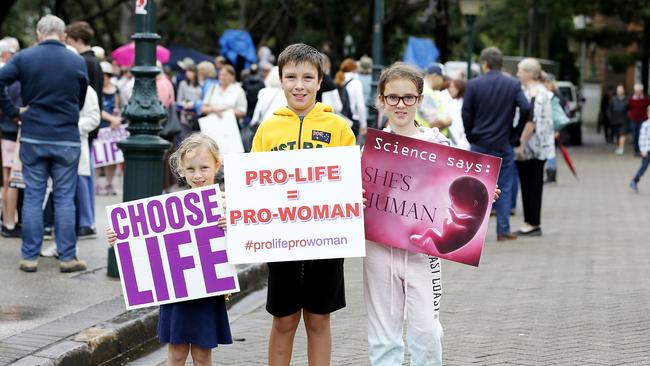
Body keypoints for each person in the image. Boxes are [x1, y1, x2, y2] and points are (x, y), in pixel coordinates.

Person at [251, 43, 356, 366]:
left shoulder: (338, 128)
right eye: (291, 77)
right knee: (283, 320)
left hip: (326, 240)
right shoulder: (267, 130)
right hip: (281, 240)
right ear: (280, 80)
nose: (300, 85)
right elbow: (253, 184)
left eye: (308, 77)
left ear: (320, 81)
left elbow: (351, 180)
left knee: (318, 319)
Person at [107, 133, 232, 366]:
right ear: (182, 170)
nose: (197, 175)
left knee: (203, 354)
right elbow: (142, 240)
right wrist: (120, 237)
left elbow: (246, 243)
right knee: (176, 352)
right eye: (190, 169)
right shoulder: (170, 206)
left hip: (208, 292)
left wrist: (232, 226)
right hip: (177, 292)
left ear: (217, 165)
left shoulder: (226, 204)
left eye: (204, 167)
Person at [364, 62, 448, 366]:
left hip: (422, 252)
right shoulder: (368, 151)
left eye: (409, 97)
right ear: (382, 100)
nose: (401, 105)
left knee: (427, 332)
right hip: (379, 249)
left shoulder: (439, 145)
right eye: (393, 97)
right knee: (383, 335)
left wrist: (481, 193)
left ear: (420, 100)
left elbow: (456, 195)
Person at [0, 15, 88, 272]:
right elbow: (80, 99)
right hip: (66, 138)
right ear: (63, 36)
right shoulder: (76, 60)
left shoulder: (25, 58)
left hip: (33, 135)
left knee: (33, 197)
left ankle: (30, 257)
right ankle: (68, 257)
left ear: (39, 33)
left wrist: (14, 111)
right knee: (64, 199)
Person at [462, 47, 530, 241]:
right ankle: (503, 229)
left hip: (479, 142)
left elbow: (466, 112)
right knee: (505, 185)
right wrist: (515, 134)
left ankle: (472, 234)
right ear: (500, 64)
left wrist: (470, 134)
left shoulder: (474, 85)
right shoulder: (513, 84)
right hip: (503, 142)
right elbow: (525, 107)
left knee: (476, 187)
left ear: (484, 63)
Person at [514, 58, 554, 237]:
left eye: (520, 70)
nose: (517, 74)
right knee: (531, 184)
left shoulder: (535, 92)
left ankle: (533, 223)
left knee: (531, 185)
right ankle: (530, 221)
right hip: (540, 146)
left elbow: (531, 121)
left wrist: (521, 144)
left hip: (533, 147)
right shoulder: (539, 91)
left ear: (530, 73)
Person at [0, 39, 21, 238]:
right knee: (12, 181)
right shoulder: (17, 80)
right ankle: (9, 222)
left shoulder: (6, 79)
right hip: (14, 134)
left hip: (5, 132)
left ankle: (6, 219)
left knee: (7, 179)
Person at [334, 58, 367, 138]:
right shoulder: (356, 83)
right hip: (352, 121)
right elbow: (360, 105)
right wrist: (363, 125)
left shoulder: (338, 80)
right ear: (354, 69)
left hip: (338, 119)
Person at [416, 64, 451, 135]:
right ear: (435, 76)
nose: (442, 82)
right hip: (428, 139)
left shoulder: (427, 90)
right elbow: (435, 122)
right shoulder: (426, 92)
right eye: (442, 79)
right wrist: (449, 121)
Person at [175, 58, 202, 142]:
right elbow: (179, 100)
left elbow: (201, 100)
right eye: (187, 71)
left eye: (190, 71)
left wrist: (193, 104)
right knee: (184, 137)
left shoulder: (200, 86)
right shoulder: (183, 84)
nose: (188, 73)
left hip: (196, 115)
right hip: (184, 114)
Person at [445, 78, 470, 150]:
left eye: (452, 87)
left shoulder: (462, 104)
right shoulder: (451, 102)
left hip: (461, 144)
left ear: (459, 88)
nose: (450, 89)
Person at [630, 105, 650, 193]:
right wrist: (642, 149)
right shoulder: (645, 125)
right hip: (647, 150)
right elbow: (642, 138)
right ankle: (634, 181)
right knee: (644, 167)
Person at [628, 84, 650, 156]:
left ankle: (642, 150)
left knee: (642, 135)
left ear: (641, 91)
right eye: (636, 91)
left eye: (639, 91)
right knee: (635, 135)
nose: (638, 92)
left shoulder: (646, 99)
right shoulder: (631, 99)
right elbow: (628, 108)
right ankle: (636, 150)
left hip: (643, 119)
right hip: (633, 120)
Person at [607, 84, 629, 155]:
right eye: (619, 90)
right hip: (615, 120)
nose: (620, 92)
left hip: (624, 120)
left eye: (621, 90)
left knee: (622, 133)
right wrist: (610, 117)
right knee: (617, 135)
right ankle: (619, 146)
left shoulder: (627, 99)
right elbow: (609, 110)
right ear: (617, 91)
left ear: (623, 91)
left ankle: (621, 147)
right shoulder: (613, 99)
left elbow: (630, 109)